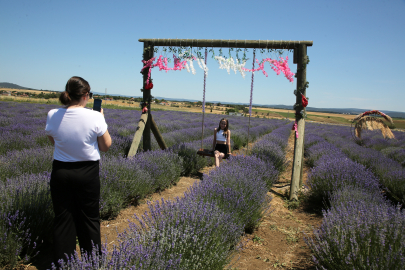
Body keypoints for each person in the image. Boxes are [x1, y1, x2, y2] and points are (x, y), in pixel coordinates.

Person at [45, 76, 112, 263]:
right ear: (84, 95)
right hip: (87, 173)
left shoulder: (53, 114)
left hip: (60, 172)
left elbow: (54, 141)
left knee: (63, 218)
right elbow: (106, 146)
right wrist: (101, 119)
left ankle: (63, 264)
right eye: (89, 95)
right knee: (89, 219)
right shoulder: (95, 116)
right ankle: (92, 263)